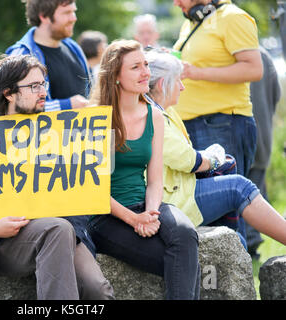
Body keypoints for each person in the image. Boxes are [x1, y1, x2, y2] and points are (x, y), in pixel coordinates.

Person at [0, 54, 114, 300]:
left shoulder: (58, 134)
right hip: (4, 245)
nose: (43, 92)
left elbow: (81, 201)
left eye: (43, 84)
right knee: (57, 228)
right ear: (8, 93)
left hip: (62, 234)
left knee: (97, 290)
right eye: (33, 86)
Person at [87, 39, 201, 300]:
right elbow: (92, 189)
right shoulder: (94, 118)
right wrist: (133, 220)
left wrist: (150, 213)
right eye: (136, 67)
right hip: (105, 215)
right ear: (115, 76)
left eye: (146, 65)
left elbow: (154, 179)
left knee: (184, 233)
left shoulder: (154, 115)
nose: (146, 73)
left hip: (146, 203)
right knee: (182, 263)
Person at [144, 50, 286, 251]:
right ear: (161, 84)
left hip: (175, 191)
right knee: (239, 187)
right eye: (178, 81)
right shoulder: (154, 115)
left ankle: (235, 249)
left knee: (232, 180)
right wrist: (215, 157)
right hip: (171, 200)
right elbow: (189, 161)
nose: (183, 87)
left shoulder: (162, 111)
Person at [172, 0, 264, 242]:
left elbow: (254, 69)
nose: (175, 3)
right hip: (195, 125)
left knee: (232, 206)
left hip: (221, 123)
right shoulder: (192, 22)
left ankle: (238, 275)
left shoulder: (233, 17)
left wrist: (195, 73)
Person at [5, 0, 91, 111]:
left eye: (73, 11)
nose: (73, 18)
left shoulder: (74, 48)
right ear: (44, 16)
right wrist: (67, 105)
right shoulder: (20, 56)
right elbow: (14, 107)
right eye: (66, 13)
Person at [246, 46, 282, 258]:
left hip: (244, 134)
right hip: (263, 134)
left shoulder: (227, 55)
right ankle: (252, 245)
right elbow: (276, 94)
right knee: (256, 188)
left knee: (246, 194)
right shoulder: (265, 56)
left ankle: (249, 246)